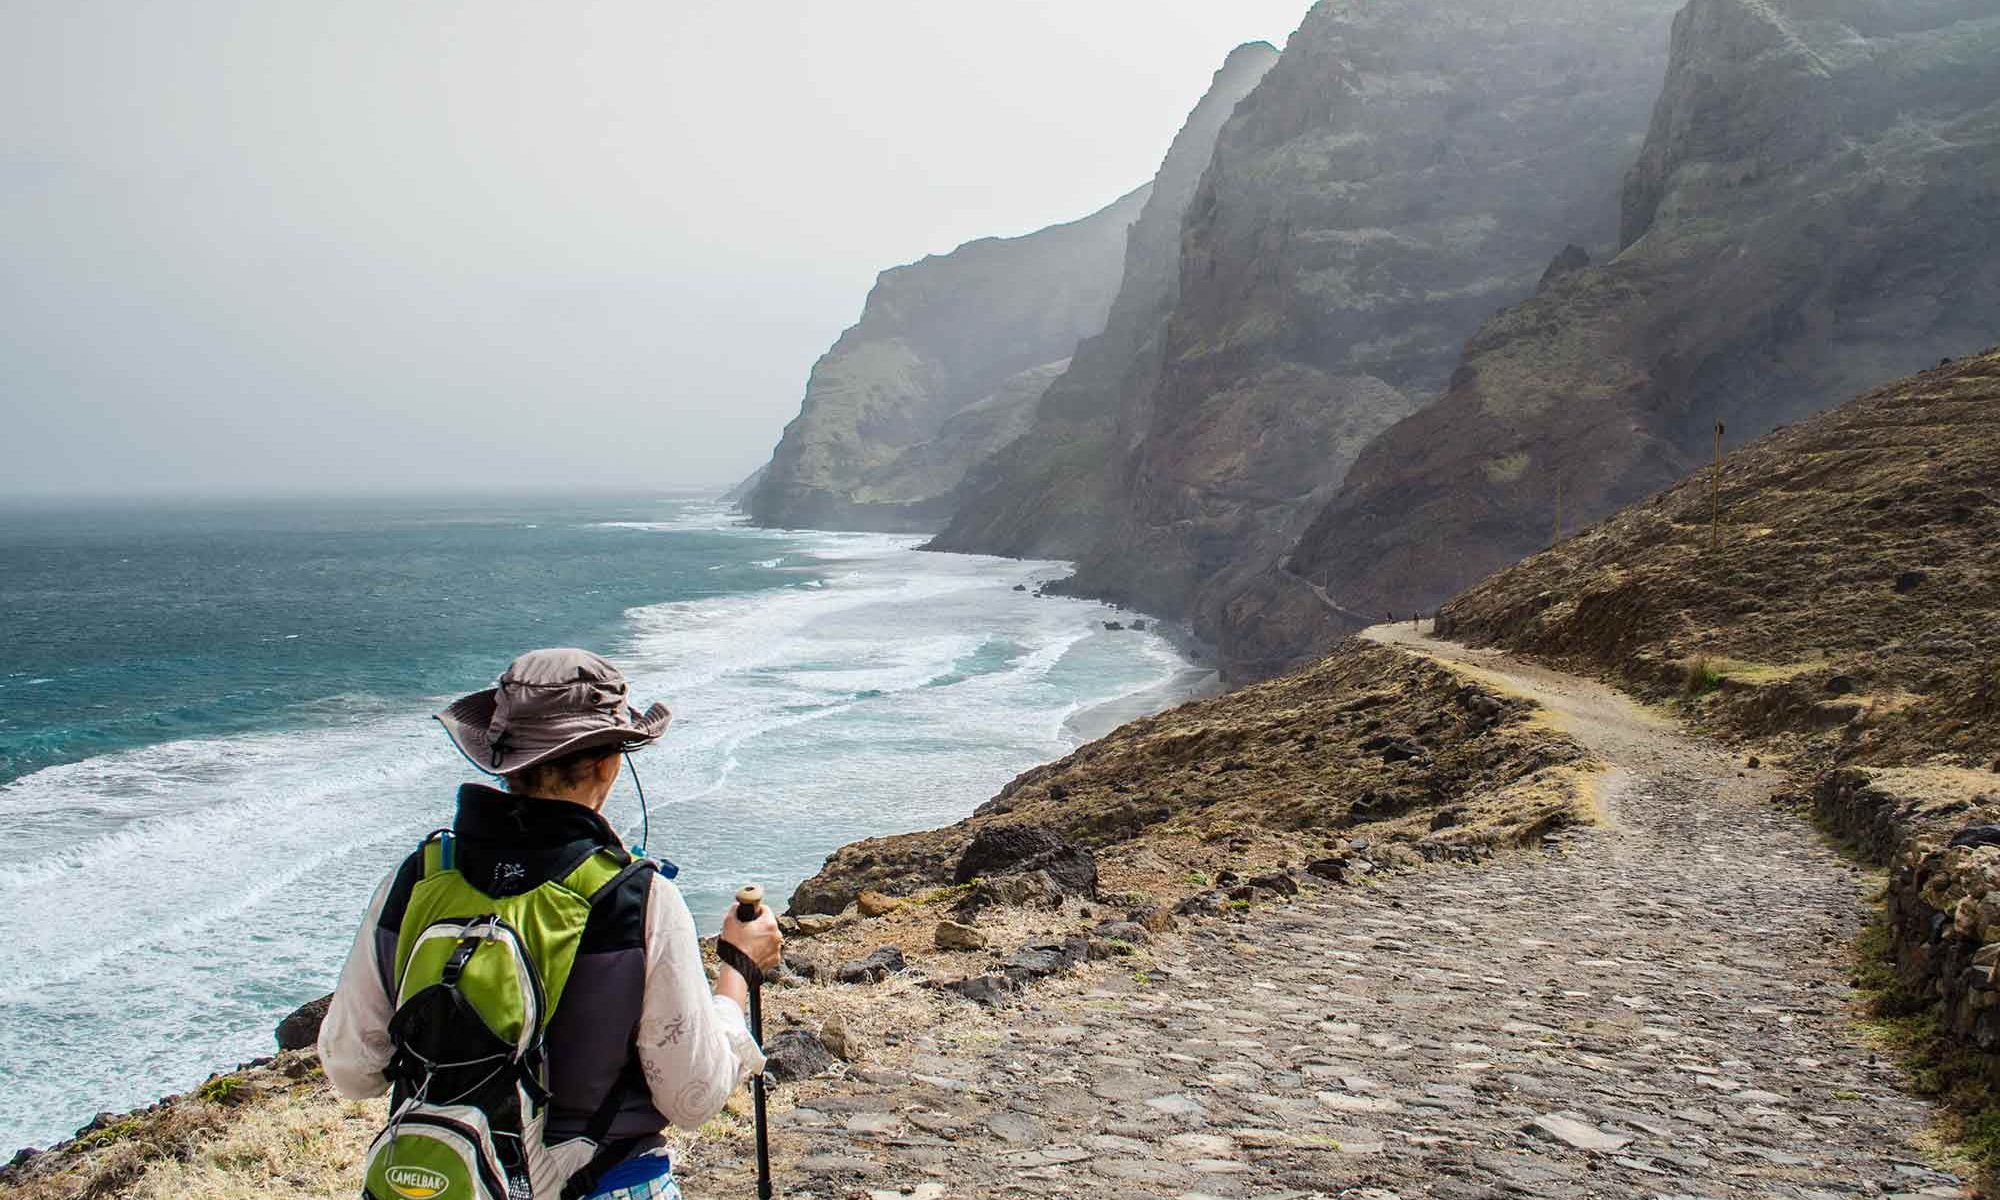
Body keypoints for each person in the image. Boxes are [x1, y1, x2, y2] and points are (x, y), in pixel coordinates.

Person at [320, 648, 783, 1200]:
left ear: (502, 762)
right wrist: (737, 972)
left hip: (452, 1182)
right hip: (605, 1183)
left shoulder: (420, 877)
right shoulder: (637, 896)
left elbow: (352, 1069)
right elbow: (693, 1095)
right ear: (612, 762)